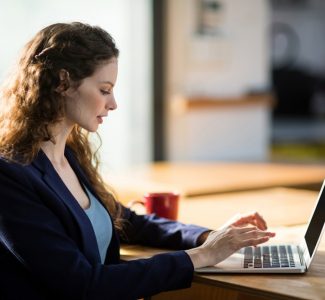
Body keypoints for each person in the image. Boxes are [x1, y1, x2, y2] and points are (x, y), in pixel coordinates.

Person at [0, 22, 275, 300]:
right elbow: (82, 284)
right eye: (105, 90)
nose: (113, 103)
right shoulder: (9, 174)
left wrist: (211, 237)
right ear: (63, 82)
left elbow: (128, 221)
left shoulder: (69, 154)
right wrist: (201, 256)